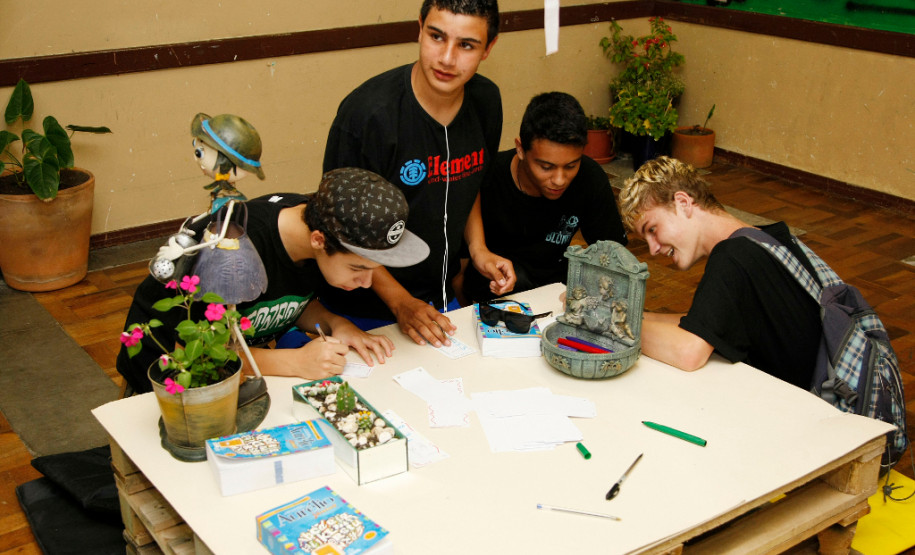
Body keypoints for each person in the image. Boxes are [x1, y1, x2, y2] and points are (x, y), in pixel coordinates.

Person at [116, 168, 430, 394]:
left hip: (241, 374)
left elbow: (287, 301)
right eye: (357, 269)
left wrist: (336, 323)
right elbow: (199, 354)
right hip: (169, 381)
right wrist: (293, 362)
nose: (365, 283)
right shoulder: (231, 249)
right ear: (319, 241)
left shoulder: (314, 222)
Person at [321, 0, 515, 348]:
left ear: (489, 48)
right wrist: (400, 301)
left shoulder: (486, 100)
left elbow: (467, 181)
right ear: (420, 27)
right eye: (437, 37)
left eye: (466, 45)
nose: (447, 58)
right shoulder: (367, 116)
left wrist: (479, 248)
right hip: (362, 310)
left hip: (438, 303)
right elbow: (341, 231)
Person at [617, 156, 821, 389]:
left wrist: (605, 319)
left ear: (683, 203)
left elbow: (688, 352)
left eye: (652, 229)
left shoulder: (732, 257)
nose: (653, 249)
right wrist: (635, 313)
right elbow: (705, 324)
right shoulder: (768, 239)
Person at [461, 91, 628, 303]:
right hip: (495, 289)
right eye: (546, 167)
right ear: (521, 149)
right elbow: (461, 267)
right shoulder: (487, 179)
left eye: (571, 165)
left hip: (556, 290)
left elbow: (613, 256)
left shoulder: (590, 178)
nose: (559, 179)